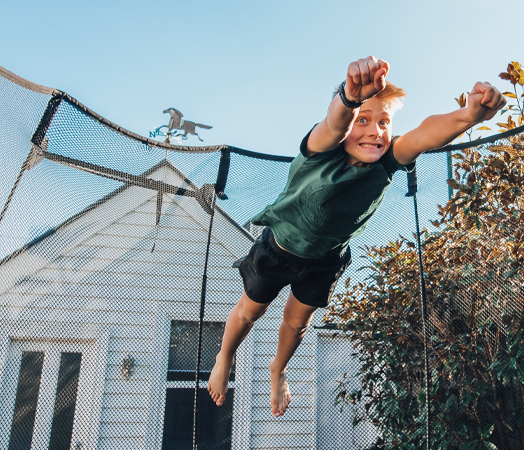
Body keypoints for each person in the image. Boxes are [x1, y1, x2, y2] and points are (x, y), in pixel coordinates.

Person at [207, 56, 506, 417]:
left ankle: (278, 368)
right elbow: (332, 126)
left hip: (325, 262)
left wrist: (469, 116)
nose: (375, 131)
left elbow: (425, 134)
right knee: (250, 312)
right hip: (279, 249)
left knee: (297, 322)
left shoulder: (388, 161)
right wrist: (349, 99)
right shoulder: (317, 153)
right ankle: (225, 357)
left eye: (384, 122)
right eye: (363, 120)